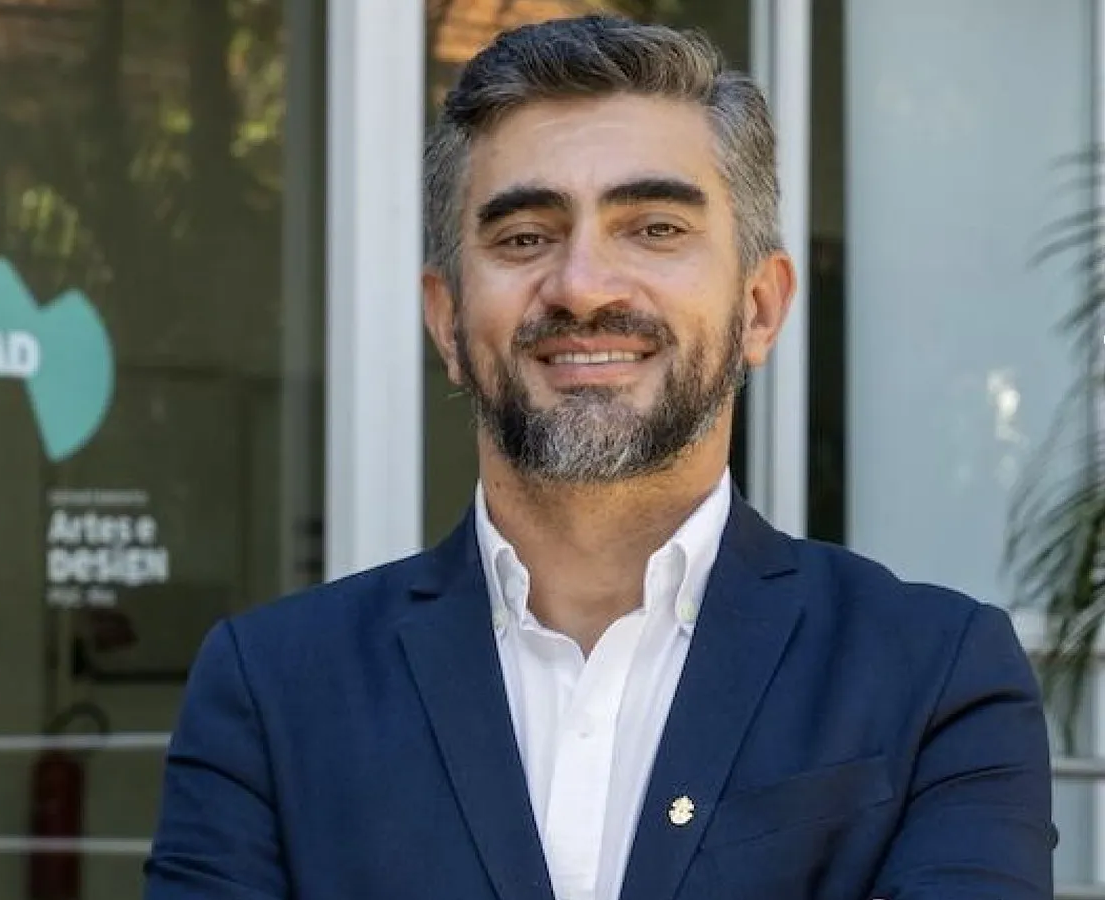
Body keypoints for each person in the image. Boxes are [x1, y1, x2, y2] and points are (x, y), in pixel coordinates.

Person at [143, 14, 1055, 900]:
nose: (581, 287)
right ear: (447, 322)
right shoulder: (274, 688)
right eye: (524, 238)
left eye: (655, 228)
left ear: (760, 308)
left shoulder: (936, 677)